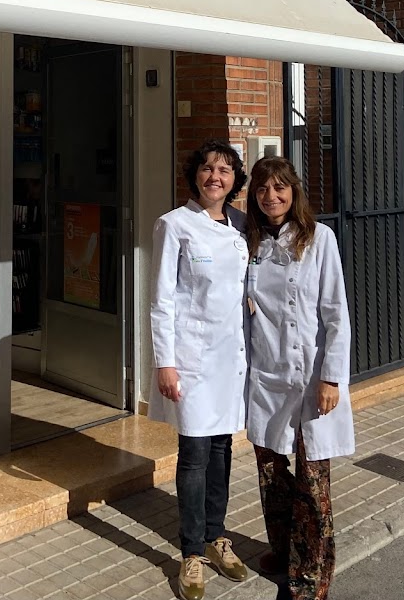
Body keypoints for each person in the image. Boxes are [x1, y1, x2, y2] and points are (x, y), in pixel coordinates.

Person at [245, 156, 354, 600]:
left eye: (279, 187)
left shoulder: (319, 238)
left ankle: (310, 577)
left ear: (294, 191)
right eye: (262, 189)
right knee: (271, 472)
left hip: (311, 376)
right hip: (267, 374)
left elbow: (336, 314)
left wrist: (331, 378)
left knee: (312, 481)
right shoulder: (250, 243)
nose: (271, 196)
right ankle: (284, 548)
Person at [148, 139, 251, 600]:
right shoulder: (174, 225)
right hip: (191, 358)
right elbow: (161, 300)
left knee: (223, 448)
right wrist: (165, 362)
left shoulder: (242, 225)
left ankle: (216, 536)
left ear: (234, 180)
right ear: (195, 175)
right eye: (208, 168)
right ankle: (191, 551)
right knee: (193, 453)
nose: (215, 177)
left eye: (225, 170)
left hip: (231, 358)